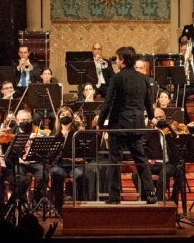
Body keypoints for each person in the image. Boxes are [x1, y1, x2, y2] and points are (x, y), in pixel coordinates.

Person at [96, 46, 157, 204]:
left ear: (122, 60)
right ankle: (150, 193)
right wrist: (151, 117)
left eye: (117, 58)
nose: (116, 61)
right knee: (141, 160)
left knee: (114, 161)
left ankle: (115, 196)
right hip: (136, 125)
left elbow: (108, 102)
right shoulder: (143, 78)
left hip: (119, 125)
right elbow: (148, 103)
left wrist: (100, 123)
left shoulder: (117, 78)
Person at [132, 108, 178, 202]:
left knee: (164, 173)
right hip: (153, 163)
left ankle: (159, 200)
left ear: (165, 117)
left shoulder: (171, 130)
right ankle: (145, 199)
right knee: (136, 174)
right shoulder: (148, 132)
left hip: (168, 163)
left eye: (160, 117)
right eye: (155, 118)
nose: (158, 120)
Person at [49, 106, 87, 217]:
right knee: (56, 173)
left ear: (72, 117)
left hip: (76, 165)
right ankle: (59, 207)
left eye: (68, 115)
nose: (65, 117)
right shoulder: (54, 134)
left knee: (80, 175)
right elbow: (52, 158)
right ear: (58, 118)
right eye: (63, 115)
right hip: (60, 165)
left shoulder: (77, 133)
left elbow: (86, 152)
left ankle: (79, 208)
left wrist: (80, 157)